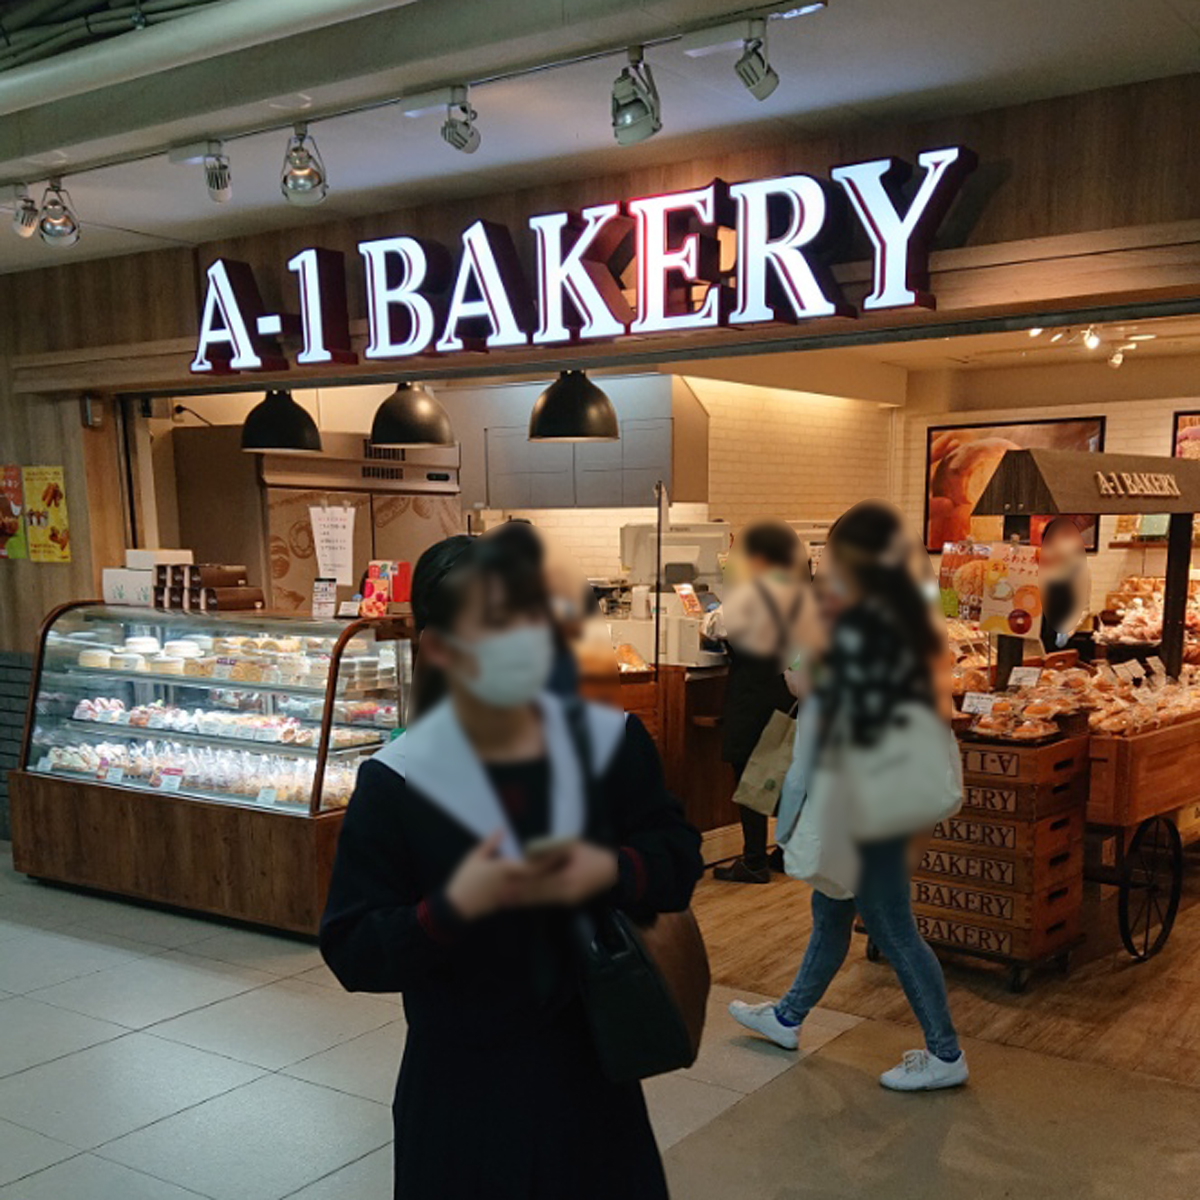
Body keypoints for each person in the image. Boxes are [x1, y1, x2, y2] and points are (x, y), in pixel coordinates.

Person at [320, 534, 704, 1199]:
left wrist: (606, 869)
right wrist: (452, 907)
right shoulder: (399, 781)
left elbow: (677, 859)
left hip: (592, 1070)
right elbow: (353, 947)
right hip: (461, 1088)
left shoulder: (608, 741)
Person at [729, 501, 969, 1092]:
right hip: (878, 792)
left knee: (890, 925)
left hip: (869, 802)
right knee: (831, 906)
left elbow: (805, 682)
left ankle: (945, 1053)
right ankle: (788, 1016)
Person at [703, 520, 808, 883]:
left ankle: (752, 860)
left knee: (749, 772)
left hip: (752, 691)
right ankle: (785, 852)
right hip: (785, 690)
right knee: (780, 771)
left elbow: (717, 625)